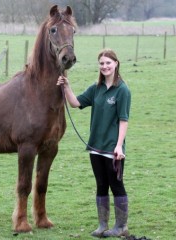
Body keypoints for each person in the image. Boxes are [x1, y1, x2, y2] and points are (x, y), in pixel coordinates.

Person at [57, 48, 131, 237]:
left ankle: (121, 227)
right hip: (95, 147)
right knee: (100, 185)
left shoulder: (122, 90)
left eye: (108, 63)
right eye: (102, 63)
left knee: (116, 186)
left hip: (113, 149)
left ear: (116, 64)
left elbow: (124, 120)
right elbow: (75, 103)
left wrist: (119, 145)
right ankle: (103, 225)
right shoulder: (96, 88)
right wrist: (66, 87)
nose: (105, 66)